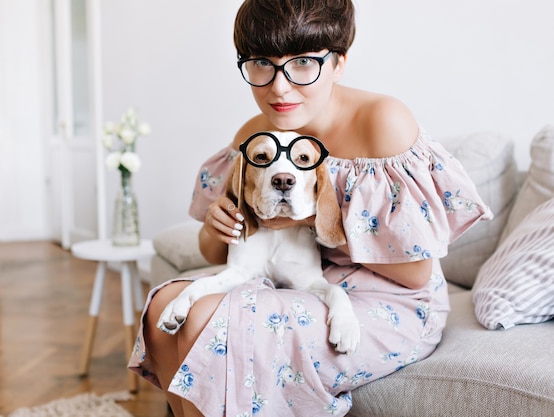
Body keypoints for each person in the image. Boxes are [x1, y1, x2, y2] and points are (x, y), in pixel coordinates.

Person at [129, 1, 492, 416]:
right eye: (262, 63)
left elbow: (415, 273)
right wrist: (217, 226)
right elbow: (215, 254)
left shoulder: (382, 122)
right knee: (162, 310)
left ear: (339, 62)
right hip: (296, 282)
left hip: (387, 301)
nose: (279, 88)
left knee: (208, 319)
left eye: (303, 63)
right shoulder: (256, 136)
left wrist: (312, 213)